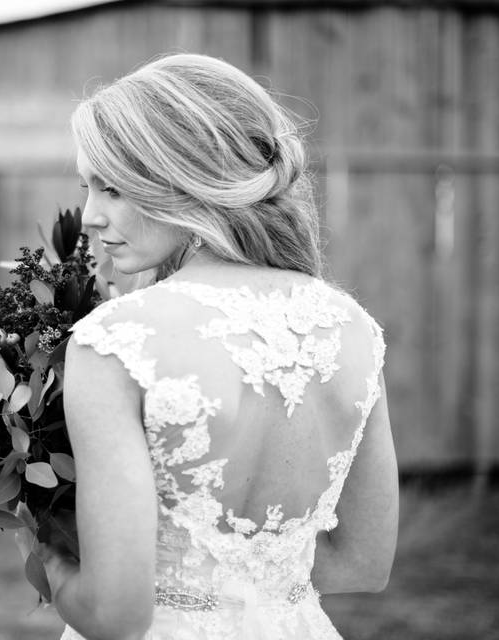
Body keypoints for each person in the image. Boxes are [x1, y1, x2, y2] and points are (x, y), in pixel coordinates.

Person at [38, 53, 399, 640]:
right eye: (87, 188)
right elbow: (364, 564)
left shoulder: (117, 342)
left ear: (185, 177)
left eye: (114, 189)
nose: (89, 218)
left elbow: (116, 614)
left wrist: (48, 550)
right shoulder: (354, 329)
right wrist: (255, 589)